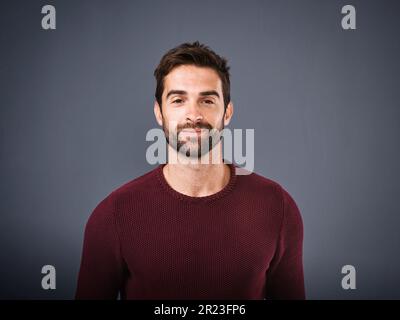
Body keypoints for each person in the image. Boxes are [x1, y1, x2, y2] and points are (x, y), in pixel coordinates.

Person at [75, 41, 305, 300]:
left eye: (207, 100)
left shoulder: (277, 206)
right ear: (158, 113)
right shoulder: (114, 215)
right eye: (178, 100)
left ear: (227, 112)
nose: (193, 114)